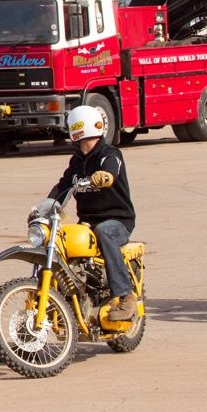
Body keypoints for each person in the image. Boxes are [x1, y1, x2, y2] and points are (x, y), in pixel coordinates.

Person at [38, 105, 137, 322]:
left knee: (104, 232)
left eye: (88, 141)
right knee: (60, 239)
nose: (85, 145)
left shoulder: (109, 154)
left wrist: (105, 177)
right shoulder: (76, 161)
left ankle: (125, 296)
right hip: (88, 222)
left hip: (117, 220)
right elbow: (64, 185)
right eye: (82, 141)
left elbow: (111, 169)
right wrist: (45, 207)